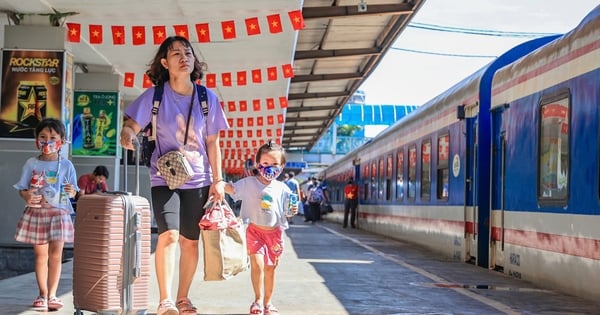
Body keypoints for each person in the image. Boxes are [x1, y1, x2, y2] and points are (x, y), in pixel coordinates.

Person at [119, 36, 229, 315]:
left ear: (194, 61)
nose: (184, 57)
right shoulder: (155, 96)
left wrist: (218, 180)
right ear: (165, 63)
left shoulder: (207, 98)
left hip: (200, 179)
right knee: (168, 235)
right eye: (176, 54)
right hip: (164, 176)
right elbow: (132, 124)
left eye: (188, 53)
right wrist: (128, 134)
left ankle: (183, 298)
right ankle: (165, 300)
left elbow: (213, 143)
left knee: (190, 241)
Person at [223, 141, 298, 315]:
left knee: (270, 269)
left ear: (282, 167)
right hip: (254, 232)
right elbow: (232, 189)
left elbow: (288, 211)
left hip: (275, 235)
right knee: (257, 265)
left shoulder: (284, 189)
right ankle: (257, 300)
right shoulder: (248, 183)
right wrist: (219, 184)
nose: (269, 168)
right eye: (265, 164)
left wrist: (293, 211)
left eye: (274, 164)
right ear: (257, 164)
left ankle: (268, 303)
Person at [13, 118, 79, 311]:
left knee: (56, 255)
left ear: (61, 141)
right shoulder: (31, 163)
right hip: (38, 213)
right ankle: (42, 294)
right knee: (40, 255)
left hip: (58, 213)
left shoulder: (66, 165)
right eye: (42, 136)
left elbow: (74, 191)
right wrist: (26, 195)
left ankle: (53, 294)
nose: (47, 141)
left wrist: (71, 191)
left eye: (52, 137)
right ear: (36, 139)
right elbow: (22, 188)